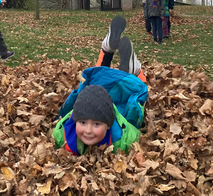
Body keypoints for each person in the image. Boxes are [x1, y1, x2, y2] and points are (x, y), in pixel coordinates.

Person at [52, 16, 148, 156]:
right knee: (100, 83)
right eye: (83, 122)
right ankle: (125, 66)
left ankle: (127, 67)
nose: (88, 130)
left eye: (96, 124)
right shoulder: (61, 135)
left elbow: (139, 138)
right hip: (94, 100)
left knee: (135, 93)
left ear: (109, 124)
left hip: (117, 111)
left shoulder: (124, 141)